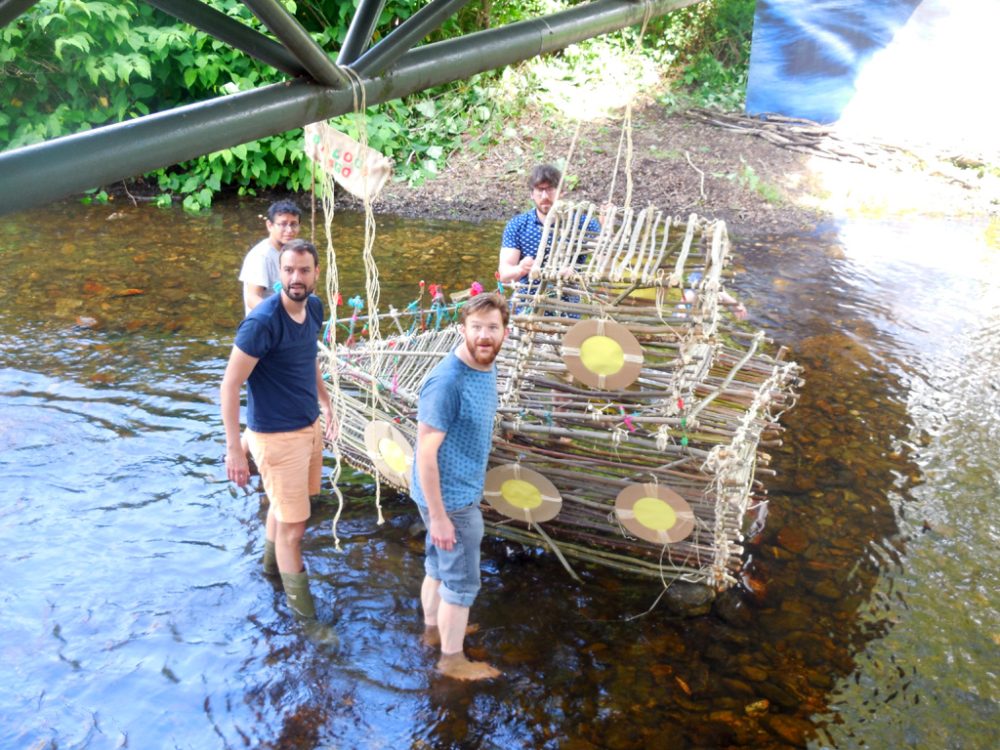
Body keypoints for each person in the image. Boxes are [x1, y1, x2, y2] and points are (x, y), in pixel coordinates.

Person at [221, 239, 337, 624]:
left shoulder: (315, 309)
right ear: (279, 274)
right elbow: (230, 385)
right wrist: (235, 449)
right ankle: (307, 622)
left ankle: (269, 573)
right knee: (294, 530)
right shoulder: (262, 323)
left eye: (304, 270)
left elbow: (307, 360)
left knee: (285, 511)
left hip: (307, 427)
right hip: (275, 436)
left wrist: (326, 402)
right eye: (288, 270)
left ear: (316, 273)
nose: (296, 278)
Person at [411, 292, 509, 681]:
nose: (484, 336)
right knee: (462, 583)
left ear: (505, 331)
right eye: (476, 327)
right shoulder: (448, 382)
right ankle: (452, 661)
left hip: (446, 493)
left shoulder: (487, 364)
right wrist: (439, 517)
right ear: (462, 329)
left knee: (437, 567)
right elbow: (425, 452)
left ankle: (433, 633)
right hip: (450, 500)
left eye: (492, 328)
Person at [497, 163, 600, 287]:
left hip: (569, 299)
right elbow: (504, 274)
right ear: (532, 194)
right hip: (527, 299)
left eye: (550, 189)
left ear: (561, 192)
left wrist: (576, 275)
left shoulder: (583, 223)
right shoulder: (517, 225)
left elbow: (604, 262)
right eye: (540, 190)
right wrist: (520, 268)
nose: (545, 196)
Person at [238, 200, 302, 315]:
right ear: (270, 225)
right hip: (266, 324)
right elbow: (252, 298)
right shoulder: (261, 256)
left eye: (293, 224)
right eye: (283, 224)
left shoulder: (291, 251)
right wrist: (280, 316)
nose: (289, 230)